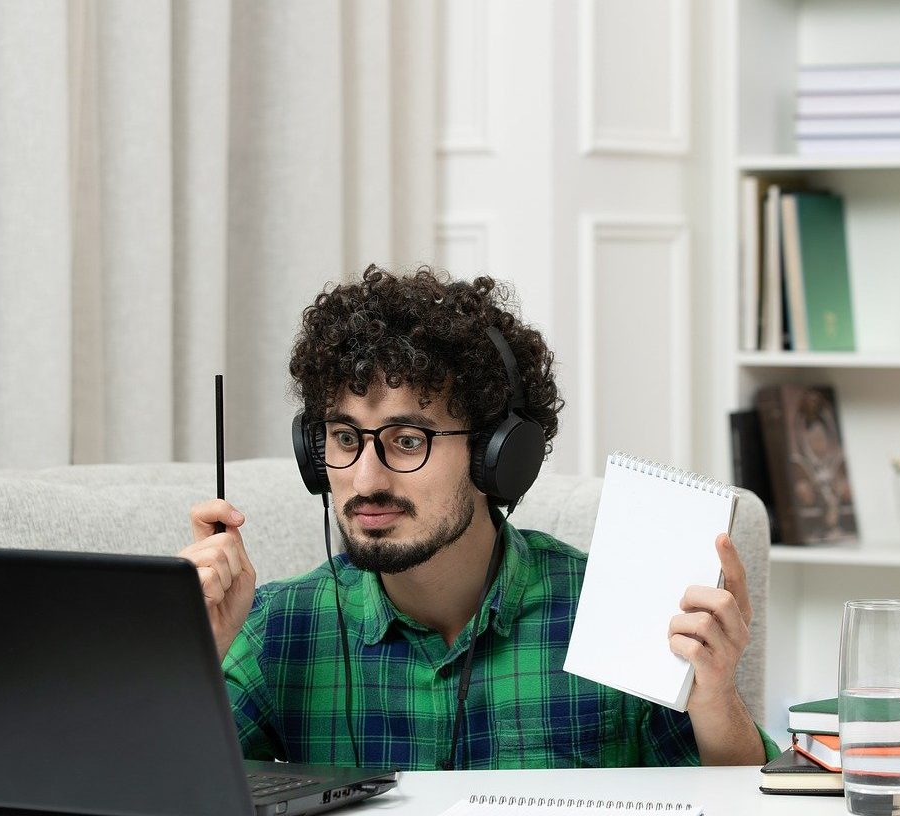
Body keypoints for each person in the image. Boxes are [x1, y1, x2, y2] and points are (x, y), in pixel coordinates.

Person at [178, 264, 780, 770]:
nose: (365, 480)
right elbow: (157, 795)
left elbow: (750, 805)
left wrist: (716, 699)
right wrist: (183, 655)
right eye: (342, 437)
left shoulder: (613, 614)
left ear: (497, 456)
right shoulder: (279, 630)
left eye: (407, 440)